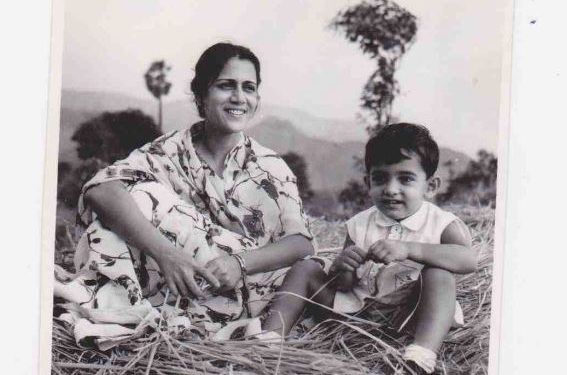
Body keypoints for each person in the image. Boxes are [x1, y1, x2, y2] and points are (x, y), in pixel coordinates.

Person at [53, 42, 314, 349]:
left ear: (257, 98)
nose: (239, 98)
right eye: (226, 86)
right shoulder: (170, 150)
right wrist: (167, 255)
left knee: (143, 194)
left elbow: (301, 243)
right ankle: (116, 304)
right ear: (201, 95)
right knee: (125, 206)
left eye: (249, 88)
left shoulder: (271, 168)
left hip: (246, 289)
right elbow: (102, 189)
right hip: (178, 286)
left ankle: (109, 302)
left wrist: (238, 263)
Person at [257, 123, 477, 374]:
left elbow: (468, 260)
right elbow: (344, 285)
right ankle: (270, 339)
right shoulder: (360, 224)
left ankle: (420, 355)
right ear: (367, 182)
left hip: (413, 317)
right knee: (305, 268)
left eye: (405, 179)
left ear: (431, 186)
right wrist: (344, 267)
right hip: (356, 315)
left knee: (439, 274)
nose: (391, 189)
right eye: (380, 178)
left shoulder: (442, 223)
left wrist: (408, 249)